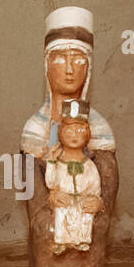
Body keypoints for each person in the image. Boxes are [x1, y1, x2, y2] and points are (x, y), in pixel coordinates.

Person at [22, 8, 116, 267]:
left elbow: (107, 176)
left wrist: (99, 204)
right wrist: (43, 209)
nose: (69, 68)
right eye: (60, 58)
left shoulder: (99, 126)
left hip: (86, 207)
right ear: (46, 65)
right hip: (52, 208)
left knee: (94, 231)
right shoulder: (36, 126)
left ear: (89, 67)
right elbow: (30, 179)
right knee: (46, 231)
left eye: (78, 59)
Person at [46, 101, 101, 254]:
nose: (75, 135)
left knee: (85, 216)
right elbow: (51, 182)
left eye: (80, 130)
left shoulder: (88, 165)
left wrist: (94, 198)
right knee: (62, 213)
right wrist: (51, 162)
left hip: (82, 199)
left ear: (87, 133)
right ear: (60, 133)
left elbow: (95, 184)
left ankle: (83, 240)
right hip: (64, 198)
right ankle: (61, 241)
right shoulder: (59, 163)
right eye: (69, 130)